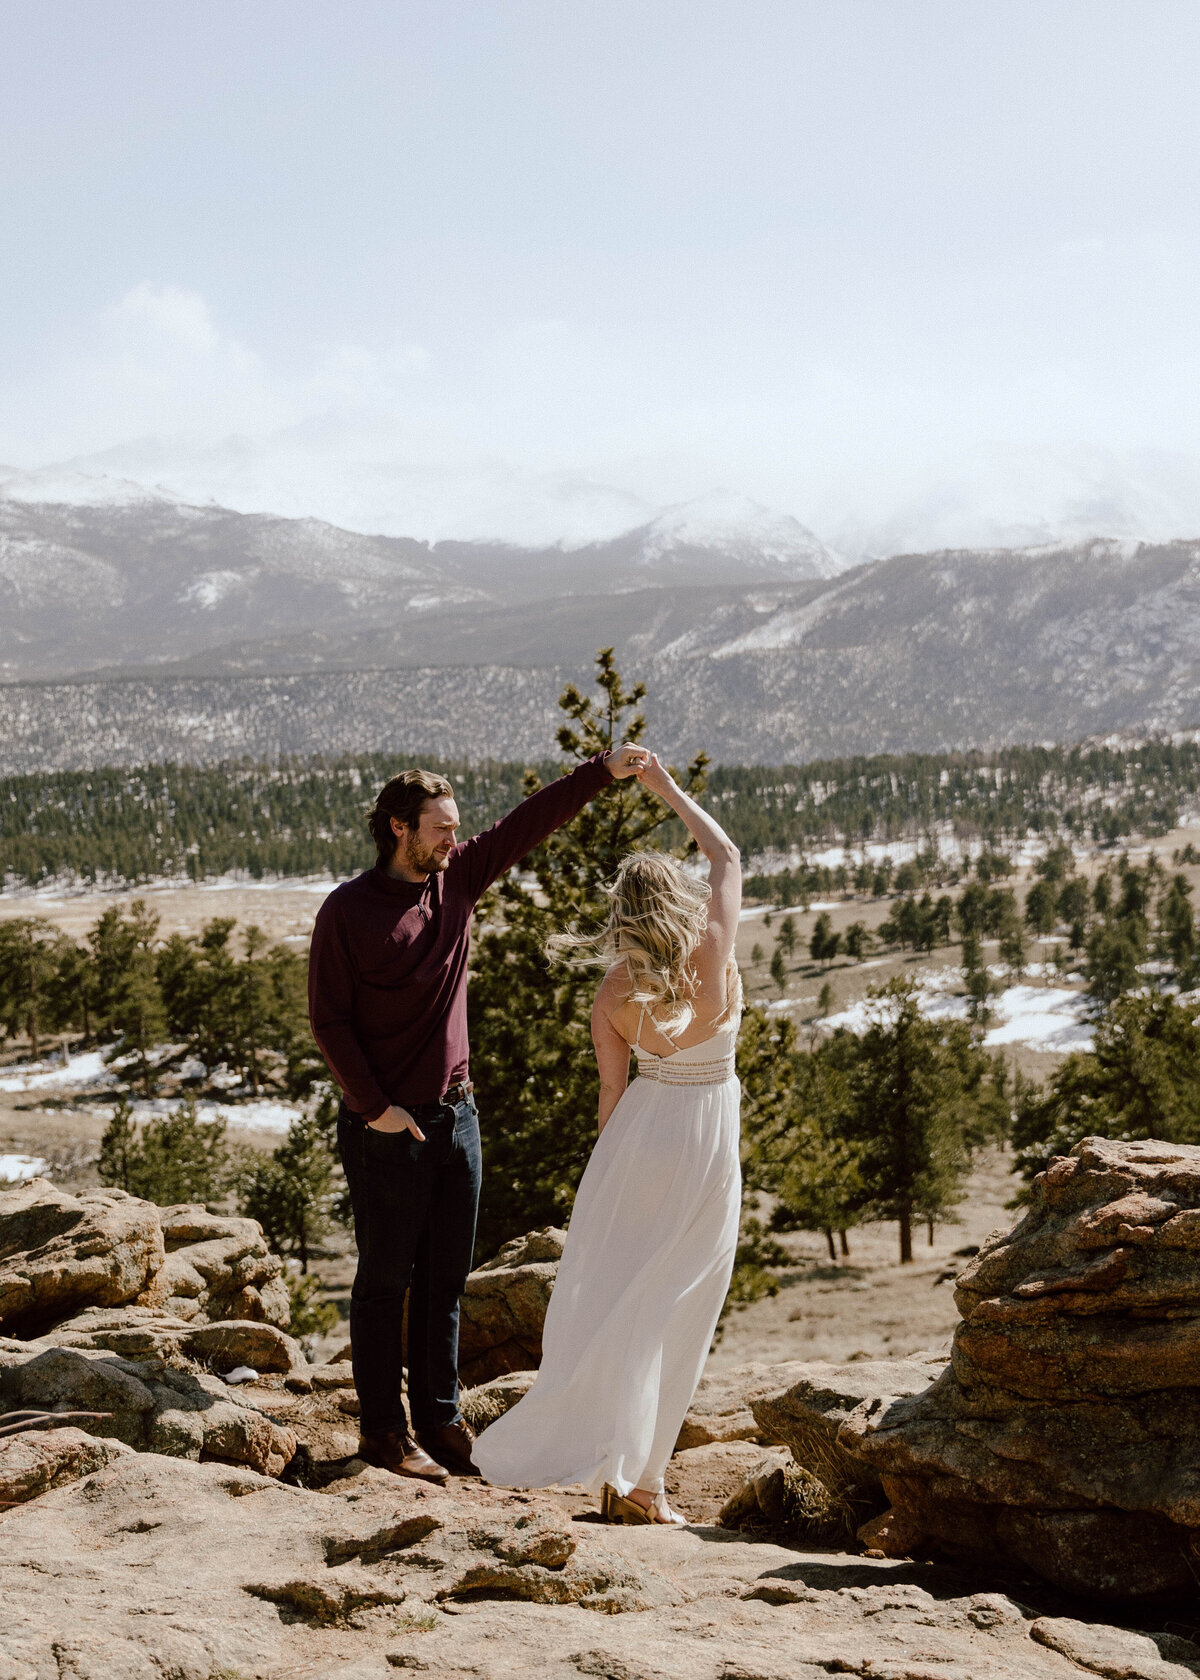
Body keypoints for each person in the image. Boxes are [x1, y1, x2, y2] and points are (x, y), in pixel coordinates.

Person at [307, 742, 648, 1483]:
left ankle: (441, 1420)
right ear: (398, 828)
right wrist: (377, 1111)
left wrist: (600, 771)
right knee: (383, 1281)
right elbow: (328, 1023)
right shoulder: (348, 911)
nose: (453, 838)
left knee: (445, 1282)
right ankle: (382, 1435)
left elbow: (526, 824)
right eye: (439, 827)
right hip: (385, 1129)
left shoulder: (456, 883)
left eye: (455, 827)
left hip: (459, 1121)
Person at [471, 753, 742, 1523]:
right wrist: (664, 788)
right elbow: (726, 855)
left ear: (624, 914)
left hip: (638, 1139)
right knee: (681, 1305)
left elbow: (610, 1094)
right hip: (703, 1133)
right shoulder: (713, 946)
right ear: (678, 902)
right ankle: (644, 1484)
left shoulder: (613, 990)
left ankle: (620, 1467)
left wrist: (606, 1179)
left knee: (626, 1296)